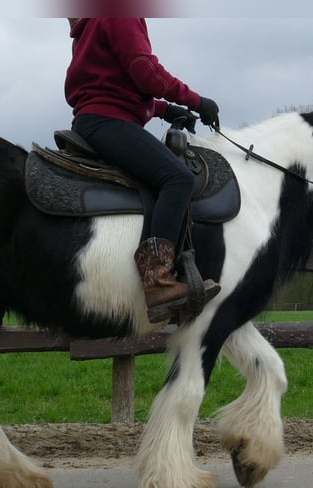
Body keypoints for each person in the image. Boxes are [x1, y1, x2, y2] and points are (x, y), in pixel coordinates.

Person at [65, 18, 220, 323]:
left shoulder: (95, 19)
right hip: (108, 121)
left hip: (96, 118)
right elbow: (146, 73)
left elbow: (116, 82)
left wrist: (165, 110)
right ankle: (158, 282)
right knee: (177, 179)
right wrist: (197, 101)